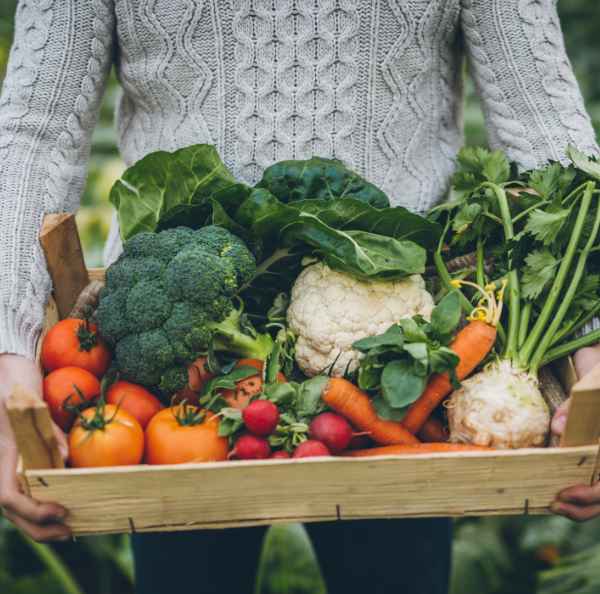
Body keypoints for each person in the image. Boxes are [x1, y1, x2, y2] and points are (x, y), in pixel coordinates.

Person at [0, 1, 599, 593]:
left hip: (404, 370)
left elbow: (542, 118)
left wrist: (594, 347)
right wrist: (8, 355)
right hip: (180, 368)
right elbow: (34, 130)